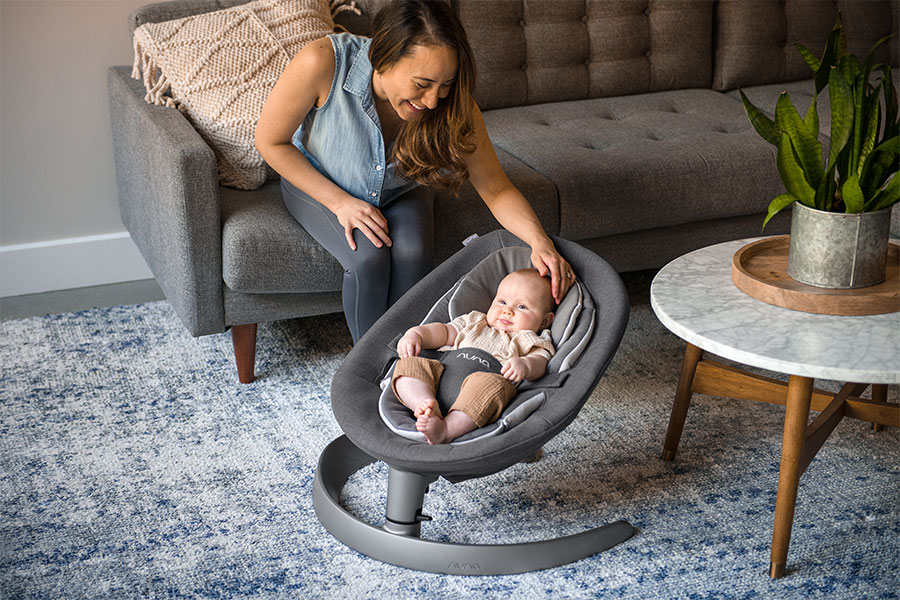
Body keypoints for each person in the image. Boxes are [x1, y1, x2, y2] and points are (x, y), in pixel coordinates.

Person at [255, 0, 574, 343]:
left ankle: (408, 359)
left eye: (445, 84)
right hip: (321, 185)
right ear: (382, 57)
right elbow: (270, 142)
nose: (433, 101)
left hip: (402, 189)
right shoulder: (322, 61)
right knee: (369, 259)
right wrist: (340, 203)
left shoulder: (453, 105)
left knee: (412, 252)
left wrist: (539, 241)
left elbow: (496, 189)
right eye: (422, 83)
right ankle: (371, 365)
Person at [392, 268, 557, 444]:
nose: (507, 311)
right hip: (440, 377)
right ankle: (424, 404)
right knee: (409, 364)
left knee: (493, 387)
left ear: (545, 321)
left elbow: (540, 361)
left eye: (522, 307)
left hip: (480, 392)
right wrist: (416, 334)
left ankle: (446, 429)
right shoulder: (475, 321)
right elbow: (443, 331)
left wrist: (524, 365)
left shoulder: (530, 340)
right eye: (502, 302)